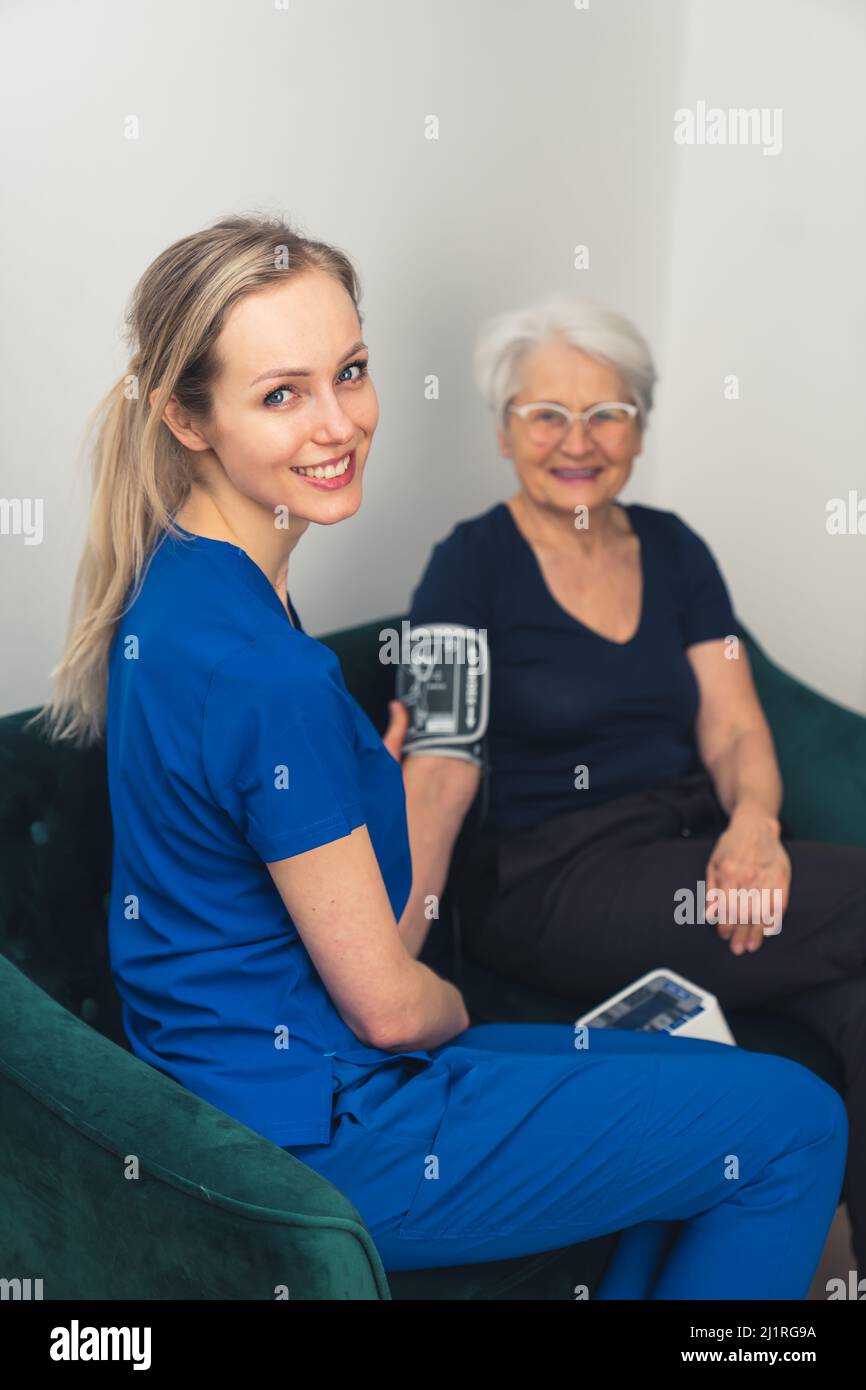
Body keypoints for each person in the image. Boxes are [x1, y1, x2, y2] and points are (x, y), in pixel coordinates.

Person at [35, 216, 847, 1298]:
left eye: (351, 373)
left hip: (252, 1073)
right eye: (282, 394)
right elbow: (387, 1006)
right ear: (188, 416)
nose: (338, 424)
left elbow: (253, 815)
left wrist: (347, 772)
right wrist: (458, 1004)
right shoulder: (275, 673)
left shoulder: (183, 585)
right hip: (326, 1118)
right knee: (794, 1120)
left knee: (718, 1088)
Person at [402, 292, 866, 1273]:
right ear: (501, 430)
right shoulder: (465, 566)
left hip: (692, 861)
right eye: (545, 413)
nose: (578, 440)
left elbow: (736, 721)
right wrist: (393, 954)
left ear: (639, 425)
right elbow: (436, 771)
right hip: (548, 883)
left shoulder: (673, 548)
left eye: (605, 412)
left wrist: (753, 825)